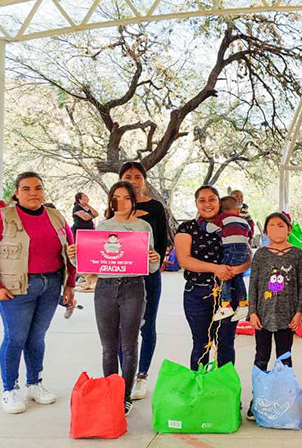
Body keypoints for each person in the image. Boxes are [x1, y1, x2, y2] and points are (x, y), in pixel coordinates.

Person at [68, 181, 160, 416]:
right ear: (111, 201)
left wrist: (154, 258)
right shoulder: (102, 226)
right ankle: (110, 391)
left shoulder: (143, 227)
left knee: (129, 346)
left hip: (133, 287)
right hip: (105, 287)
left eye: (126, 198)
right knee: (109, 347)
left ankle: (124, 396)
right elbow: (89, 264)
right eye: (116, 198)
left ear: (133, 201)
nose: (121, 202)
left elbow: (150, 267)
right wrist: (75, 257)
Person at [0, 172, 76, 414]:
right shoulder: (2, 217)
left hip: (50, 285)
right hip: (14, 288)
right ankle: (9, 390)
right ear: (16, 193)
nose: (33, 193)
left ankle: (34, 384)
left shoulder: (55, 216)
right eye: (26, 189)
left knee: (37, 337)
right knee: (15, 338)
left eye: (37, 188)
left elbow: (72, 252)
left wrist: (70, 283)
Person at [175, 186, 251, 370]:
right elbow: (184, 260)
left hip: (228, 292)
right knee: (201, 344)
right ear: (196, 203)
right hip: (197, 293)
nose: (207, 204)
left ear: (219, 201)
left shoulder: (232, 223)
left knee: (225, 345)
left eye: (212, 199)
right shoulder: (187, 227)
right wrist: (215, 269)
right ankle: (200, 391)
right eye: (202, 200)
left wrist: (236, 270)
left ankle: (225, 393)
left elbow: (247, 255)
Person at [246, 212, 302, 420]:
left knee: (284, 358)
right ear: (265, 231)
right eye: (271, 225)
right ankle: (258, 400)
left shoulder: (297, 254)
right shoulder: (261, 255)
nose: (276, 229)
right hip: (262, 316)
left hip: (287, 317)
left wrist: (299, 312)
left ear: (289, 229)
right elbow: (253, 285)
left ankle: (284, 399)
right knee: (261, 357)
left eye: (281, 225)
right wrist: (252, 312)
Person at [119, 161, 170, 401]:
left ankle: (141, 375)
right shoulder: (114, 206)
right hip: (120, 277)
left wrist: (152, 262)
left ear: (144, 180)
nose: (133, 180)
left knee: (146, 325)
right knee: (122, 328)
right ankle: (123, 376)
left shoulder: (156, 208)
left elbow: (160, 242)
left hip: (148, 276)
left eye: (137, 176)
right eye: (128, 176)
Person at [202, 196, 252, 322]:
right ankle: (243, 304)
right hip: (244, 250)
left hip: (231, 250)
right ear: (237, 210)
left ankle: (225, 304)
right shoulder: (244, 221)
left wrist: (201, 221)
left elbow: (209, 229)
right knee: (238, 276)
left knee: (224, 275)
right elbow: (250, 233)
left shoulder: (222, 218)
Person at [71, 192, 99, 293]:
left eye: (87, 196)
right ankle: (86, 278)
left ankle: (92, 279)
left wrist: (89, 207)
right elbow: (86, 217)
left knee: (91, 253)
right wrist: (91, 215)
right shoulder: (77, 208)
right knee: (82, 254)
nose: (87, 198)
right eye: (84, 197)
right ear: (79, 199)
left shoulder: (87, 207)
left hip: (90, 233)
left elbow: (96, 214)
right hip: (80, 233)